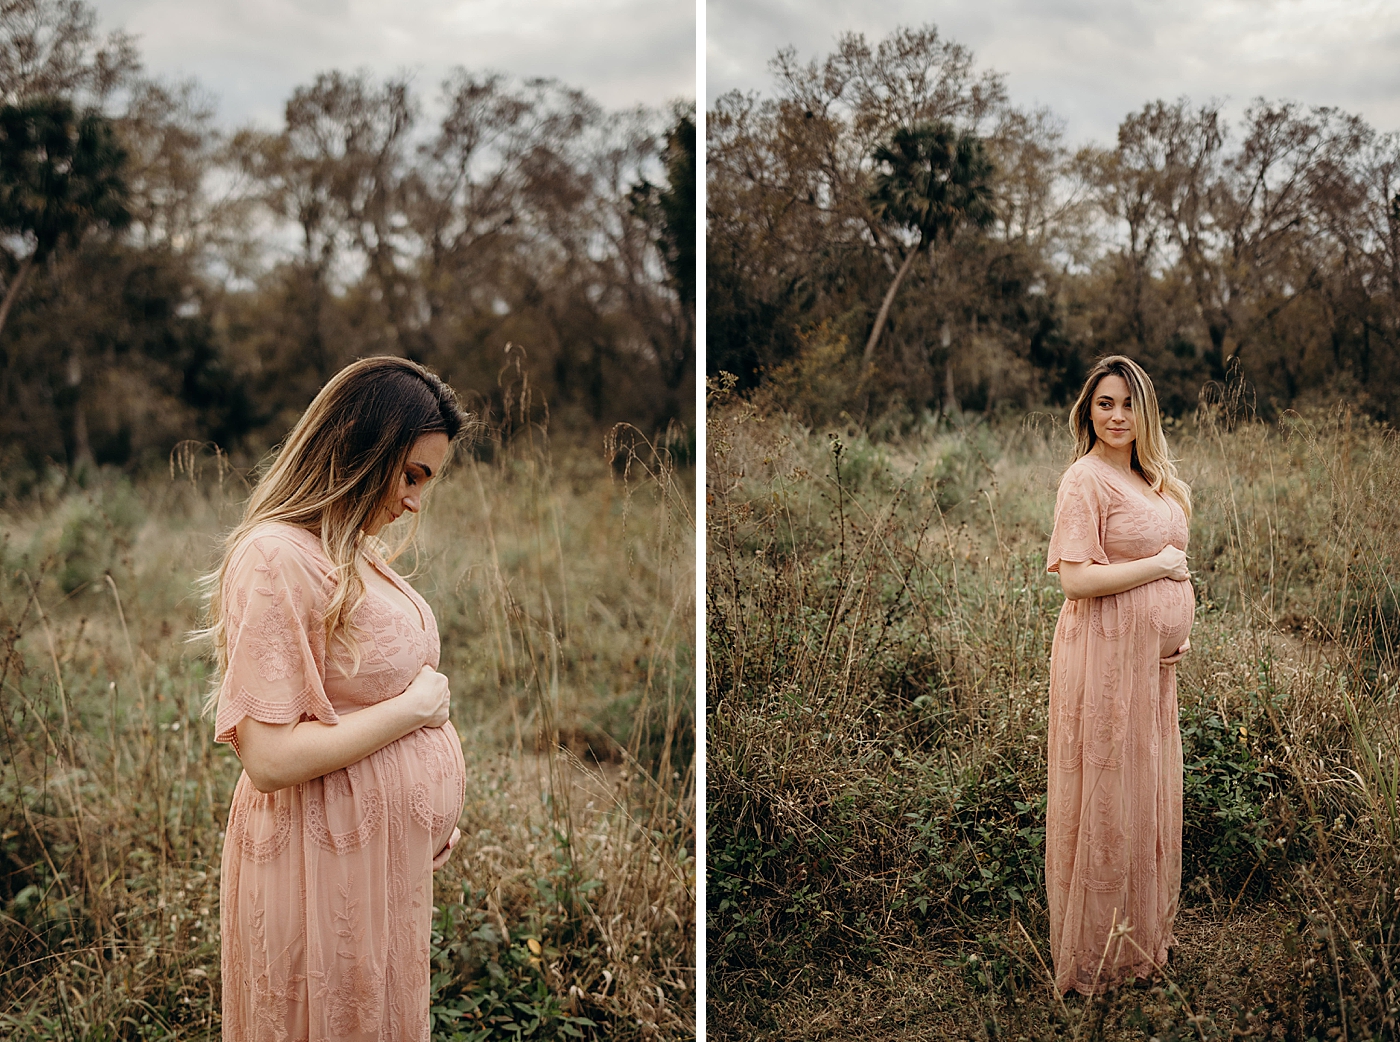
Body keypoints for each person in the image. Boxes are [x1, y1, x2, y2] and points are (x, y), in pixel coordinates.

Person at [204, 356, 470, 1041]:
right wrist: (413, 712)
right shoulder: (277, 557)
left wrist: (418, 813)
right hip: (315, 868)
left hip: (376, 865)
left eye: (427, 483)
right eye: (411, 475)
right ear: (360, 444)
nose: (415, 501)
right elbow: (266, 757)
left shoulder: (354, 552)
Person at [1044, 355, 1194, 995]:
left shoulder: (1151, 478)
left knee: (1141, 793)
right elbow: (1076, 580)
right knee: (1105, 797)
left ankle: (1137, 943)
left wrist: (1171, 631)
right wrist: (1162, 565)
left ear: (1146, 412)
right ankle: (1095, 956)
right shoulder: (1084, 480)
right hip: (1102, 663)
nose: (1116, 416)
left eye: (1128, 404)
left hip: (1149, 669)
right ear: (1088, 409)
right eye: (1105, 403)